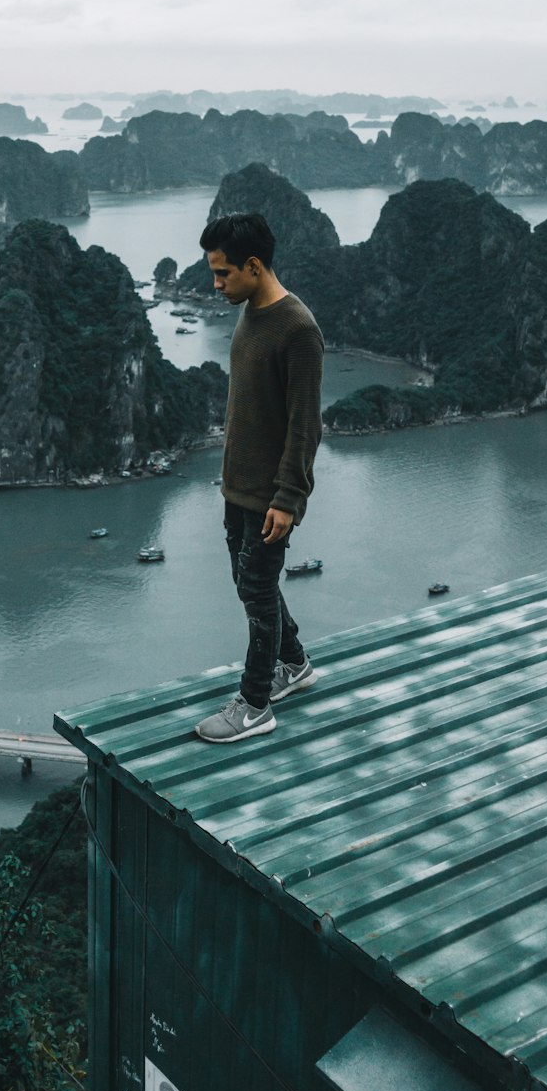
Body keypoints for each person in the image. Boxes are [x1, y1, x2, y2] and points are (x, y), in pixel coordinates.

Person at [194, 211, 324, 743]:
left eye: (223, 273)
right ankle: (293, 663)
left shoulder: (298, 330)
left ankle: (255, 703)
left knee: (257, 586)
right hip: (238, 487)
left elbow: (305, 423)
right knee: (251, 585)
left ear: (253, 265)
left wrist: (288, 498)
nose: (216, 284)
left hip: (271, 495)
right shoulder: (249, 311)